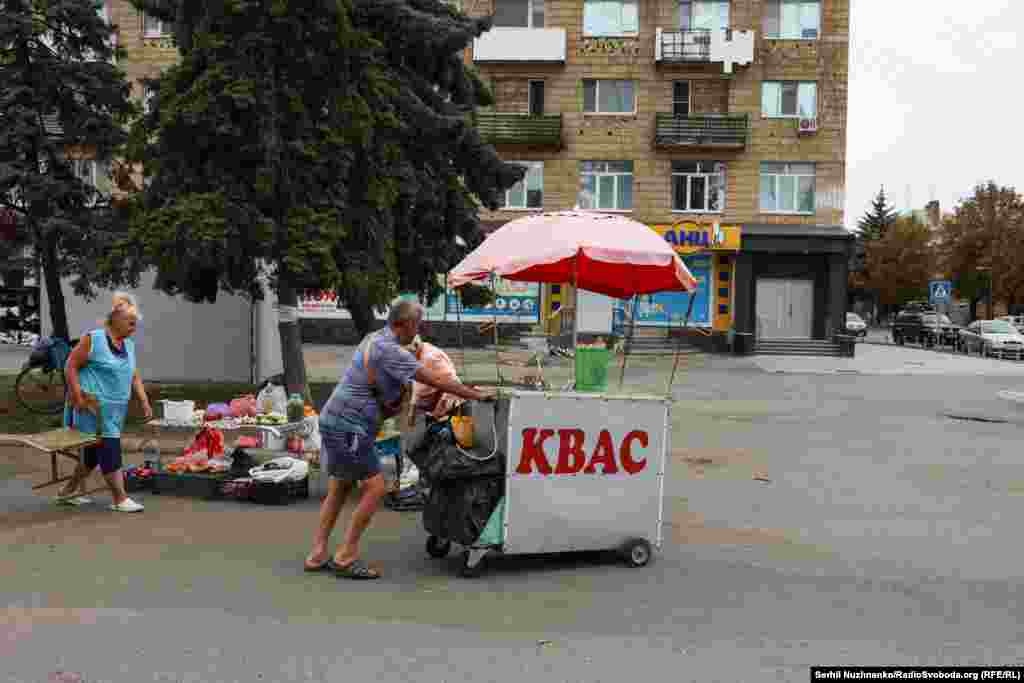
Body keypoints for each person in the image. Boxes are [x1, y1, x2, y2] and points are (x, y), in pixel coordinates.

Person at [304, 298, 494, 579]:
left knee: (340, 488)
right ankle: (345, 556)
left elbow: (387, 390)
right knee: (376, 488)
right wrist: (476, 395)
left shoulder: (373, 339)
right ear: (402, 324)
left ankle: (318, 553)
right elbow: (438, 381)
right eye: (416, 325)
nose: (418, 332)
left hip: (334, 418)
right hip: (350, 426)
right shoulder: (391, 351)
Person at [55, 292, 153, 512]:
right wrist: (77, 397)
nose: (134, 326)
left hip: (115, 412)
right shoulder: (94, 339)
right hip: (92, 409)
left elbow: (134, 375)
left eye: (135, 323)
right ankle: (120, 498)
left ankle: (66, 492)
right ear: (115, 319)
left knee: (90, 457)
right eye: (130, 322)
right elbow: (70, 366)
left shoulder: (128, 345)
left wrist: (144, 401)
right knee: (109, 449)